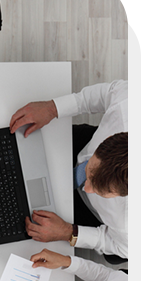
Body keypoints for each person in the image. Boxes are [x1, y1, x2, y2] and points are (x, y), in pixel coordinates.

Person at [9, 80, 128, 259]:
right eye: (90, 172)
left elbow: (120, 247)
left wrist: (68, 232)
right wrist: (52, 108)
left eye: (99, 190)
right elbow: (107, 92)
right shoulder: (129, 104)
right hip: (81, 149)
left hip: (91, 215)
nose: (86, 189)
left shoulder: (132, 225)